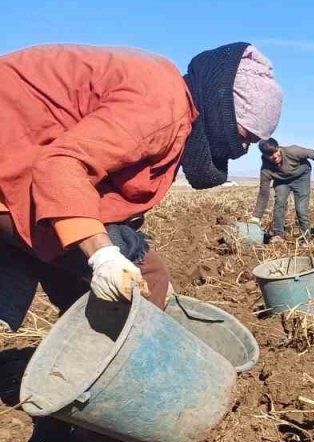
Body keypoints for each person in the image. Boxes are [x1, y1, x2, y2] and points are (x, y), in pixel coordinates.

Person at [0, 43, 282, 330]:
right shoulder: (161, 106)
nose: (242, 149)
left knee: (88, 273)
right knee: (145, 278)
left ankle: (86, 357)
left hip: (21, 161)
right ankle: (124, 364)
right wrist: (103, 255)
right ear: (223, 108)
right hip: (15, 162)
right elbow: (60, 165)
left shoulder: (171, 100)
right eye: (243, 136)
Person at [252, 138, 314, 238]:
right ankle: (278, 235)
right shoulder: (266, 169)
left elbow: (313, 153)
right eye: (270, 155)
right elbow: (263, 192)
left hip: (301, 177)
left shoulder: (293, 151)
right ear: (264, 155)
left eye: (275, 152)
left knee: (301, 209)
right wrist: (257, 216)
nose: (275, 156)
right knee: (279, 203)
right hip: (282, 181)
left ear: (278, 147)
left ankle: (306, 236)